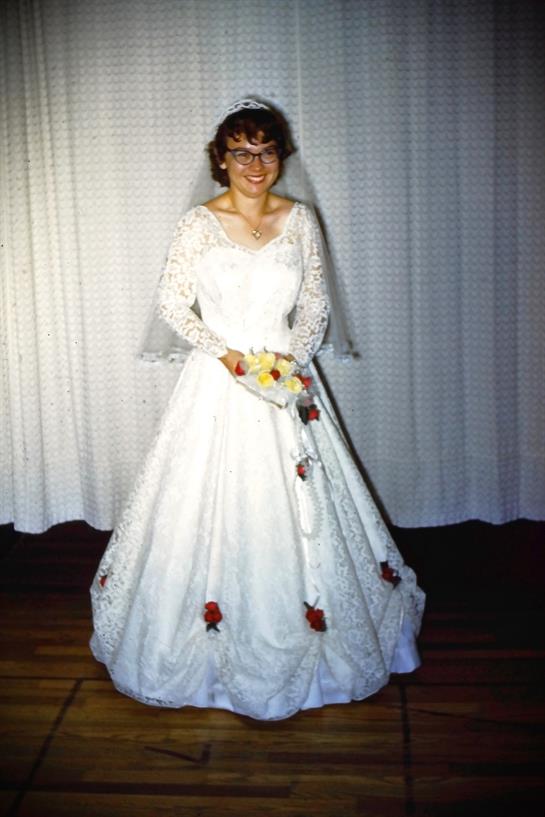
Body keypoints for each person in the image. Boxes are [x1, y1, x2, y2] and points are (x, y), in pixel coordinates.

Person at [89, 99, 425, 721]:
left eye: (266, 151)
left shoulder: (301, 220)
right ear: (221, 159)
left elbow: (315, 307)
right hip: (217, 383)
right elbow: (172, 304)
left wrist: (288, 365)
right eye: (242, 152)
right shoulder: (197, 223)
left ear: (280, 157)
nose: (255, 164)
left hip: (287, 380)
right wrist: (231, 360)